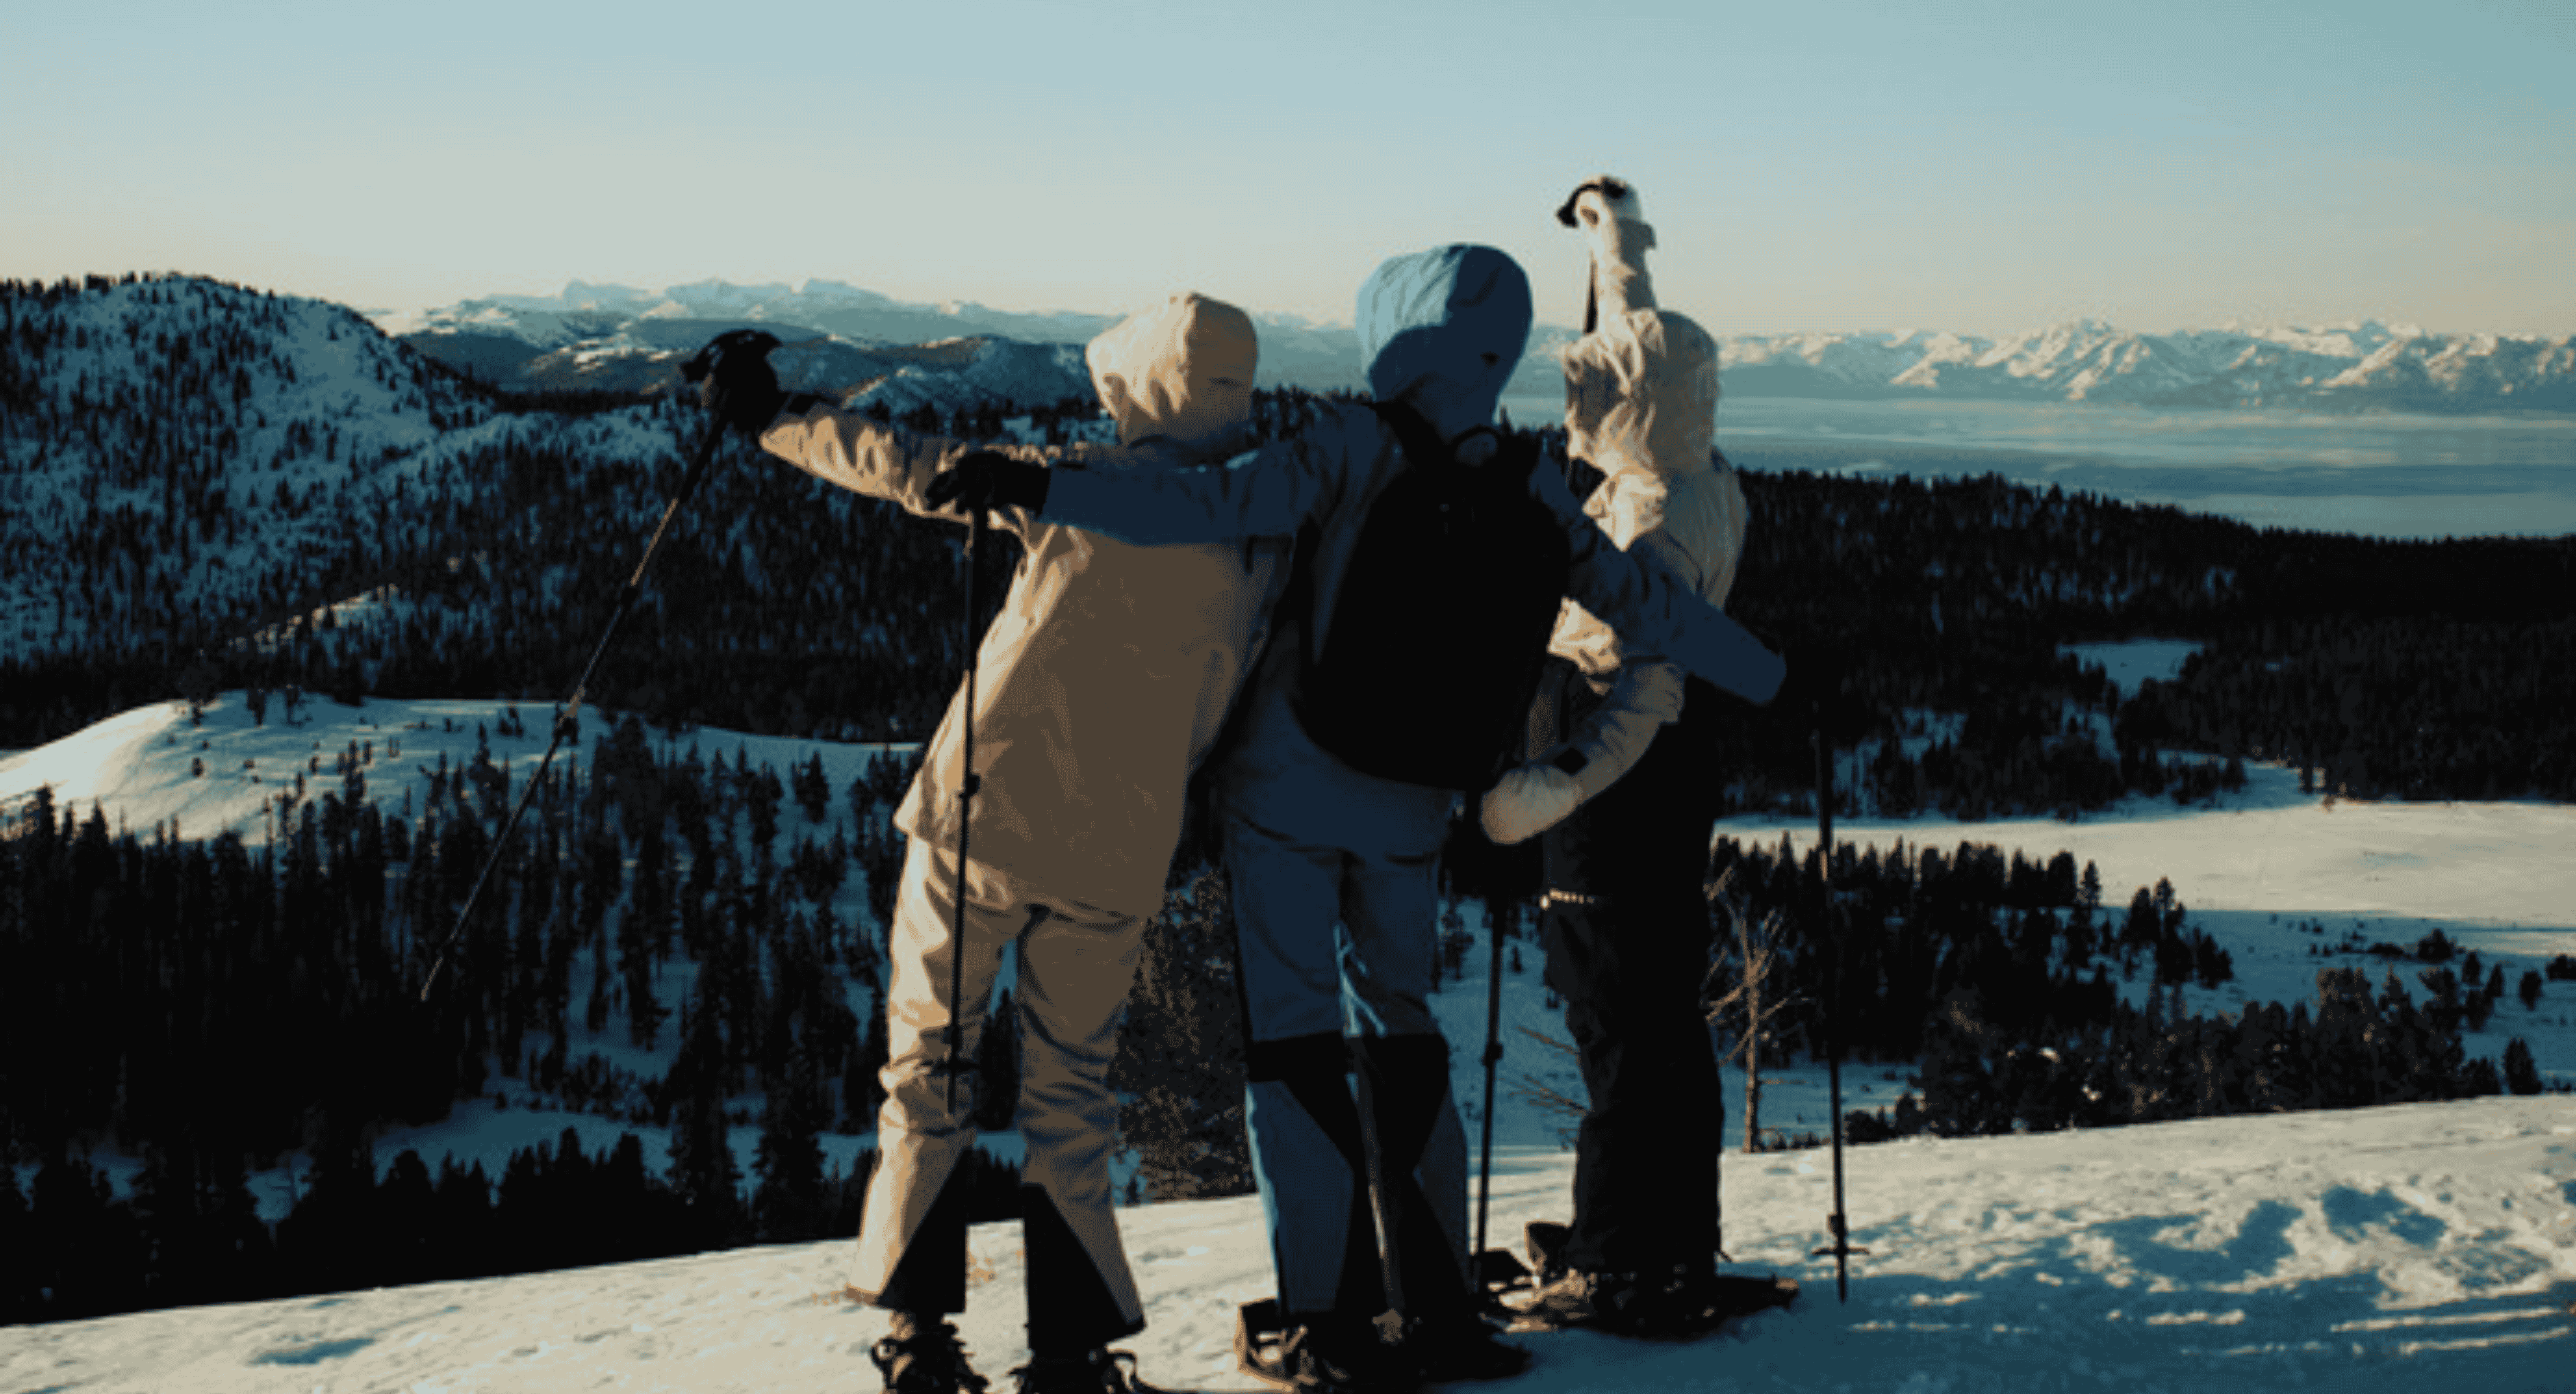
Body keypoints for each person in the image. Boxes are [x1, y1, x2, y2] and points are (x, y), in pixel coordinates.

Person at [926, 243, 1787, 1393]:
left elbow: (1198, 502)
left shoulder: (1344, 444)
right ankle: (1434, 1306)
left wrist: (1042, 486)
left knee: (1291, 1042)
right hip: (1414, 803)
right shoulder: (1529, 480)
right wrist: (1770, 674)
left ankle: (1323, 1317)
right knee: (1402, 1025)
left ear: (1399, 332)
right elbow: (1647, 606)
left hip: (1287, 788)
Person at [698, 294, 1288, 1394]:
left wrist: (771, 418)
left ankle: (919, 1338)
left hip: (984, 810)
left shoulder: (1077, 481)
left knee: (931, 1063)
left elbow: (912, 464)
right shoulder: (1260, 531)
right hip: (1122, 842)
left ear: (1143, 383)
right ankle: (1070, 1353)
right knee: (1074, 1096)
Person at [1479, 177, 1756, 1336]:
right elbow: (1637, 347)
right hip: (1667, 790)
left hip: (1613, 790)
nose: (1580, 394)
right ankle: (1664, 1231)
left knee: (1619, 1016)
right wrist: (1616, 239)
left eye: (1596, 388)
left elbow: (1638, 684)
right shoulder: (1695, 469)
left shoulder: (1645, 523)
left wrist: (1551, 786)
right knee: (1659, 1012)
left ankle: (1626, 1256)